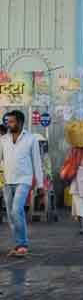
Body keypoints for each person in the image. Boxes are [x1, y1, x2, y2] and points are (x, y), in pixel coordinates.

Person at [0, 110, 44, 258]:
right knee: (11, 215)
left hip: (24, 180)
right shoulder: (3, 139)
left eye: (11, 122)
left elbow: (37, 162)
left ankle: (23, 243)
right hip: (7, 180)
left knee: (16, 210)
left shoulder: (31, 139)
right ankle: (18, 245)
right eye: (7, 122)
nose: (9, 124)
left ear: (19, 122)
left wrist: (40, 184)